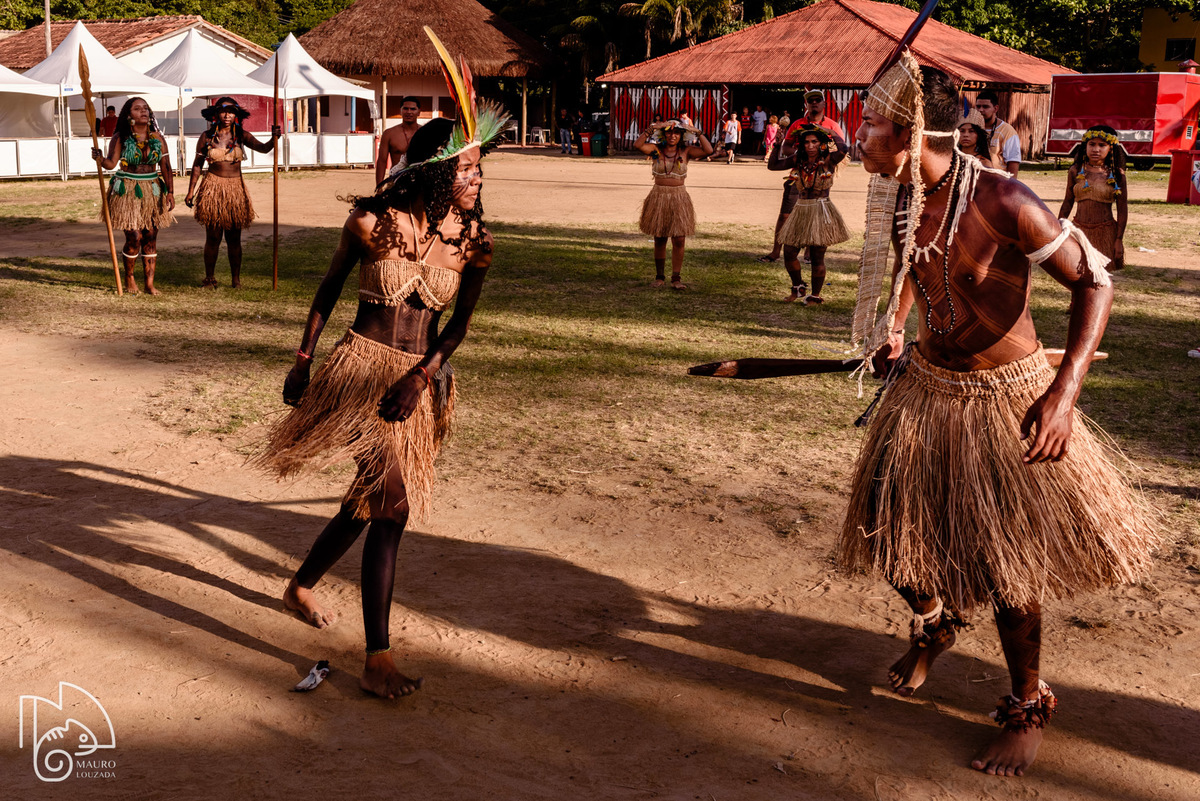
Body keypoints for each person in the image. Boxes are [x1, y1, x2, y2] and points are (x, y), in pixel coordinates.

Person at [840, 51, 1157, 777]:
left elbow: (1095, 283)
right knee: (884, 526)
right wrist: (897, 328)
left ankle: (1027, 699)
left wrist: (1064, 391)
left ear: (912, 130)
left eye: (871, 123)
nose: (859, 135)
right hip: (926, 391)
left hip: (1003, 403)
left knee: (1007, 566)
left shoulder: (1005, 199)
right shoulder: (903, 196)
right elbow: (920, 273)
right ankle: (934, 623)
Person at [255, 80, 506, 698]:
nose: (477, 179)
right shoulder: (371, 221)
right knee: (390, 508)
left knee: (370, 501)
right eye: (468, 168)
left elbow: (460, 327)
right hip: (360, 371)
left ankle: (300, 585)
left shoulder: (473, 242)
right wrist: (302, 360)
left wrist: (422, 378)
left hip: (414, 386)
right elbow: (329, 288)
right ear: (437, 168)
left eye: (480, 169)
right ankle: (377, 656)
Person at [183, 98, 281, 289]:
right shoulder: (207, 136)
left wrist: (274, 138)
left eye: (231, 112)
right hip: (212, 189)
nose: (227, 115)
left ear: (236, 115)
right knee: (212, 237)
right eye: (223, 111)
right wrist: (190, 191)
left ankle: (236, 280)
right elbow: (197, 165)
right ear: (216, 114)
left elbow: (263, 148)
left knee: (234, 238)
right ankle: (210, 278)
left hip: (235, 190)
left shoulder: (241, 135)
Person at [90, 97, 175, 295]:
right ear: (129, 115)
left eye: (145, 108)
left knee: (150, 237)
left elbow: (166, 166)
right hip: (127, 190)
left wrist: (170, 192)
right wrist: (100, 158)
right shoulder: (121, 137)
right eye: (137, 109)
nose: (143, 111)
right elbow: (111, 164)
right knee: (134, 236)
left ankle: (149, 284)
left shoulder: (157, 138)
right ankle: (129, 278)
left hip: (152, 190)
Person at [768, 123, 849, 303]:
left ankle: (815, 295)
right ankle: (798, 287)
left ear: (821, 144)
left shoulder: (829, 159)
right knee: (789, 252)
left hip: (821, 210)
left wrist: (831, 132)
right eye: (806, 142)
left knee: (817, 256)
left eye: (814, 142)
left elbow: (844, 149)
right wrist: (777, 145)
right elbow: (773, 166)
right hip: (801, 209)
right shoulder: (798, 160)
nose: (810, 146)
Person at [632, 119, 713, 289]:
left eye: (677, 133)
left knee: (679, 239)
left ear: (682, 136)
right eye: (669, 132)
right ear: (663, 134)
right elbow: (638, 145)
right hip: (659, 196)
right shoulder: (656, 151)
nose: (672, 136)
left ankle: (676, 278)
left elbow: (708, 150)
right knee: (659, 237)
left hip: (679, 198)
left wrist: (697, 132)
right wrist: (653, 128)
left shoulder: (686, 152)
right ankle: (660, 277)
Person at [1058, 125, 1127, 271]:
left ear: (1111, 148)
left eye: (1102, 145)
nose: (1096, 149)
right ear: (1085, 146)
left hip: (1106, 233)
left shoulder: (1117, 175)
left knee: (1100, 278)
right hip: (1078, 231)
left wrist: (1118, 240)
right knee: (1076, 274)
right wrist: (1059, 229)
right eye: (1092, 144)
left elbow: (1122, 209)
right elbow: (1067, 202)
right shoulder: (1075, 171)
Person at [375, 97, 421, 184]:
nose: (409, 112)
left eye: (413, 109)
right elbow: (382, 160)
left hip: (420, 182)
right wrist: (379, 185)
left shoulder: (426, 133)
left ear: (419, 112)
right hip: (396, 182)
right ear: (400, 111)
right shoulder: (389, 134)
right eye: (405, 108)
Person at [974, 89, 1020, 176]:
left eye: (985, 107)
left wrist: (1010, 185)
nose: (981, 110)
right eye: (978, 106)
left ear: (995, 109)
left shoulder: (1007, 131)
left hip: (997, 181)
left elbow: (1013, 161)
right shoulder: (970, 127)